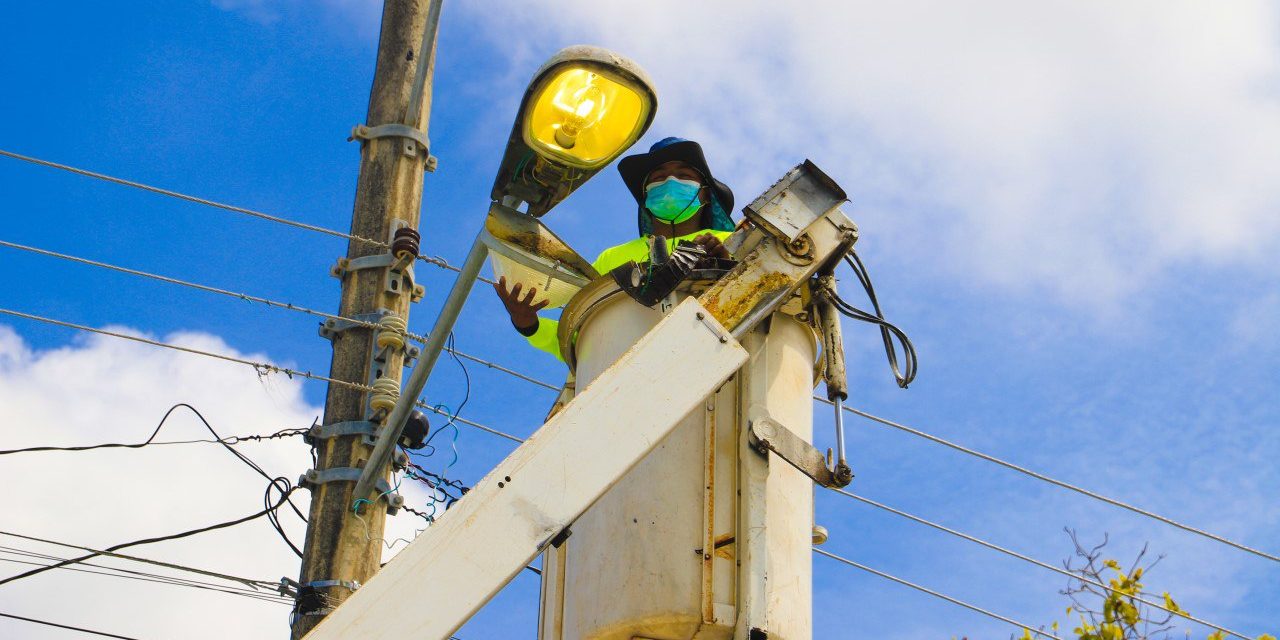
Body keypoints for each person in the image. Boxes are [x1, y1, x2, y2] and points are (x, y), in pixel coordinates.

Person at [494, 137, 736, 361]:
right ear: (646, 196)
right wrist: (529, 325)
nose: (670, 182)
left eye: (683, 175)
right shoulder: (613, 257)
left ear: (705, 194)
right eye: (658, 178)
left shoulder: (733, 239)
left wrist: (730, 269)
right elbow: (583, 339)